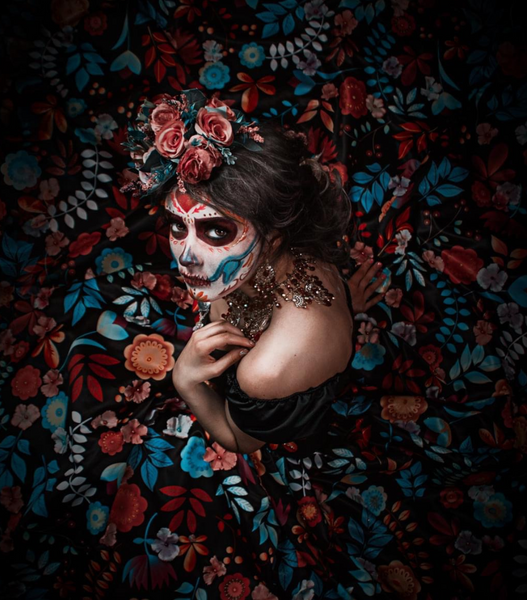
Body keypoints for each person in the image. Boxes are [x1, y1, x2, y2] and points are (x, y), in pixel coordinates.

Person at [123, 88, 398, 598]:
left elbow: (243, 440)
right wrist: (345, 307)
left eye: (215, 231)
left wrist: (187, 382)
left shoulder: (264, 371)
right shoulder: (289, 247)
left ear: (272, 236)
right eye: (177, 225)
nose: (184, 255)